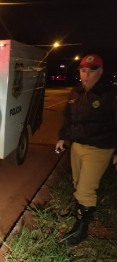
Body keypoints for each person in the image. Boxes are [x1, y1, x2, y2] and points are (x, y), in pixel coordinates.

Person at [55, 54, 117, 246]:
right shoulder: (76, 91)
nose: (86, 75)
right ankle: (79, 218)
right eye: (83, 70)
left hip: (99, 148)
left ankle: (81, 230)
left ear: (101, 71)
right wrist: (62, 137)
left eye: (92, 70)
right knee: (77, 184)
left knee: (85, 189)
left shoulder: (109, 94)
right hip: (77, 145)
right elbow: (68, 117)